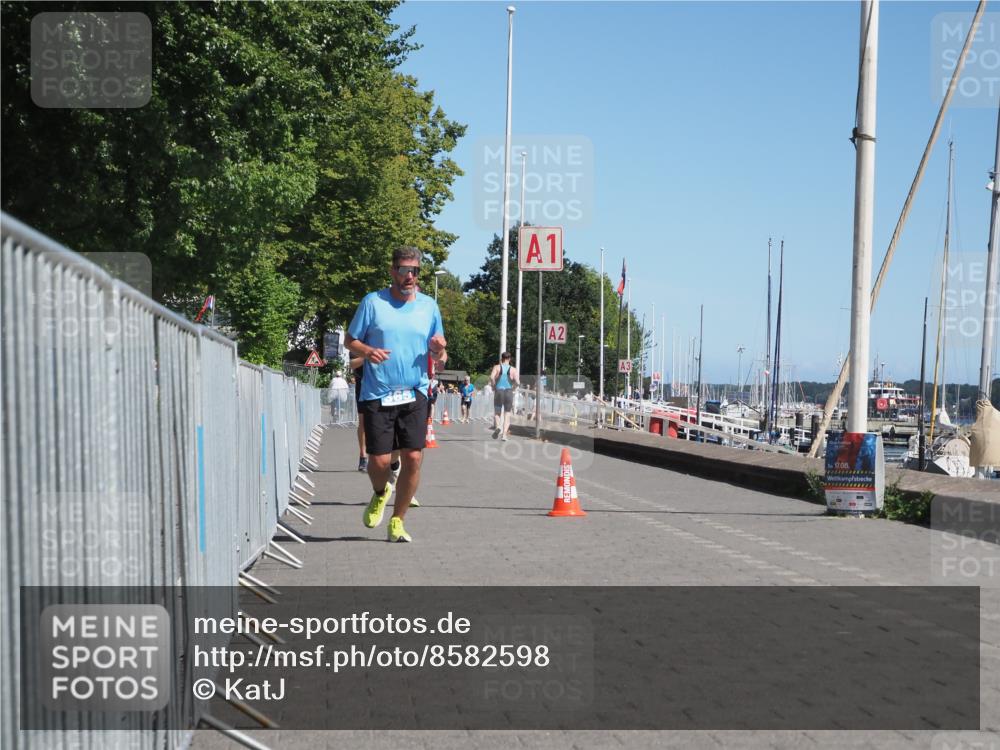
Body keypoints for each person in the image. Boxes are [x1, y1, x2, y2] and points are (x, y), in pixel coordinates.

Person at [345, 246, 446, 543]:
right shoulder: (372, 303)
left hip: (415, 391)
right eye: (404, 270)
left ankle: (397, 521)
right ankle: (380, 492)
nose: (410, 276)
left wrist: (439, 350)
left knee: (414, 457)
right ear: (393, 272)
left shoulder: (429, 307)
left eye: (415, 271)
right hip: (378, 392)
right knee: (378, 461)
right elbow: (351, 340)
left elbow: (441, 352)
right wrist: (368, 350)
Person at [489, 352, 519, 441]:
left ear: (501, 358)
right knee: (507, 414)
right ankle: (504, 435)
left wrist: (494, 386)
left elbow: (491, 377)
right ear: (509, 359)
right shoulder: (513, 369)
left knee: (497, 413)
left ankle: (498, 427)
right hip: (508, 392)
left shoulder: (497, 367)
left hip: (499, 391)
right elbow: (518, 382)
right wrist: (513, 388)